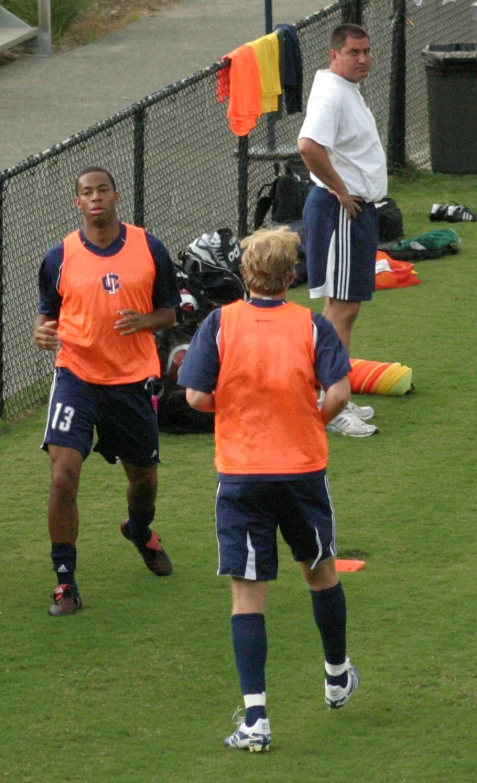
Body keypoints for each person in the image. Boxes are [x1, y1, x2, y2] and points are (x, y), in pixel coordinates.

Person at [178, 226, 359, 752]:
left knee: (247, 594)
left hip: (242, 474)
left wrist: (231, 413)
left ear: (245, 272)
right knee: (320, 573)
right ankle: (336, 673)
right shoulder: (312, 326)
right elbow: (341, 393)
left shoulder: (220, 323)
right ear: (291, 275)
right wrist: (312, 420)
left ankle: (256, 719)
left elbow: (193, 396)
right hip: (301, 470)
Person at [33, 167, 180, 616]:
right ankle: (65, 583)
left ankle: (139, 530)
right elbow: (46, 316)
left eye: (102, 190)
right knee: (63, 475)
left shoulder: (150, 247)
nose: (95, 198)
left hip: (131, 382)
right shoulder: (58, 257)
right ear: (77, 203)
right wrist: (42, 333)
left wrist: (146, 322)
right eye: (85, 192)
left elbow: (170, 313)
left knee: (144, 482)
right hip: (76, 376)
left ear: (116, 195)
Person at [297, 23, 387, 437]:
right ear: (334, 55)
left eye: (366, 51)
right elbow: (308, 146)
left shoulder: (345, 89)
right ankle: (329, 402)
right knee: (341, 309)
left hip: (351, 210)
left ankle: (337, 395)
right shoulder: (332, 94)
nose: (363, 59)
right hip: (341, 211)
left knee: (344, 308)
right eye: (354, 52)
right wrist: (342, 190)